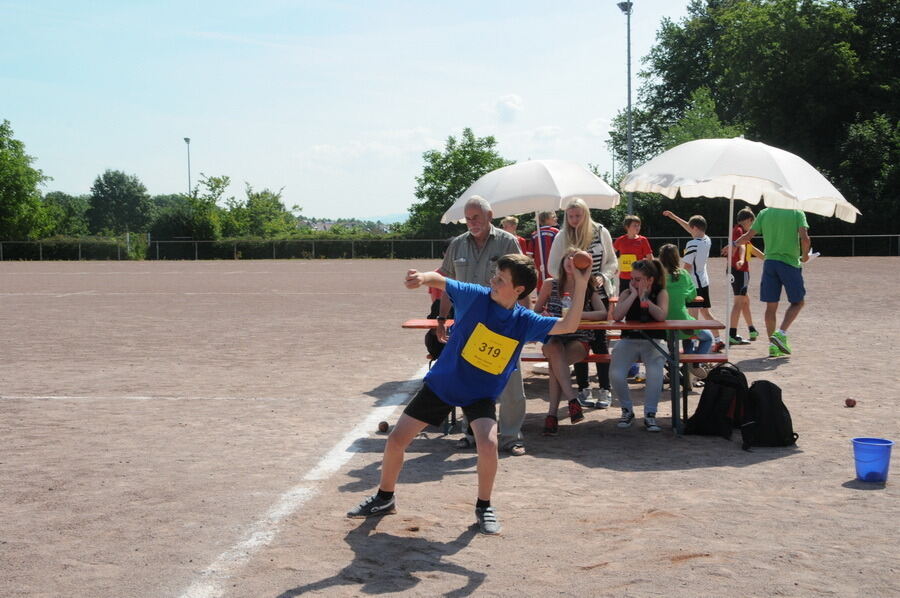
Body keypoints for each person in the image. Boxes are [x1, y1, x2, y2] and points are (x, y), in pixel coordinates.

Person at [347, 254, 591, 534]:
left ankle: (484, 506)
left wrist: (581, 283)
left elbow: (569, 326)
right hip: (443, 385)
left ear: (519, 290)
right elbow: (442, 280)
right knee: (396, 440)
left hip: (480, 394)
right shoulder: (477, 297)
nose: (493, 281)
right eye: (495, 275)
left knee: (488, 445)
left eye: (500, 279)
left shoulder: (525, 321)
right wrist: (421, 278)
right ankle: (384, 497)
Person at [437, 196, 529, 456]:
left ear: (490, 216)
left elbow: (522, 282)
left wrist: (524, 319)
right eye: (468, 218)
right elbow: (447, 284)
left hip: (503, 323)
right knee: (470, 379)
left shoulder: (507, 242)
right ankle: (471, 433)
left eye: (476, 217)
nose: (472, 222)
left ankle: (511, 436)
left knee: (510, 380)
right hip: (468, 326)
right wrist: (442, 319)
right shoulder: (457, 245)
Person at [546, 198, 618, 408]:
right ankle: (583, 387)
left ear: (586, 215)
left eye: (578, 216)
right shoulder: (562, 236)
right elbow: (552, 266)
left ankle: (605, 388)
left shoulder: (601, 231)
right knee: (575, 337)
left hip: (598, 291)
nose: (574, 220)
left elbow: (612, 262)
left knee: (599, 341)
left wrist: (602, 277)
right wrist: (569, 280)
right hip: (572, 293)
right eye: (570, 216)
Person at [533, 247, 608, 435]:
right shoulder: (551, 284)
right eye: (568, 257)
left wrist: (577, 315)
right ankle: (572, 400)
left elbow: (603, 313)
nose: (570, 261)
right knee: (554, 350)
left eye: (575, 258)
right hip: (554, 335)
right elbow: (535, 311)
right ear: (562, 261)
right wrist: (545, 314)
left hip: (579, 338)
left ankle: (552, 415)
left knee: (555, 366)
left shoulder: (587, 286)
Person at [731, 207, 810, 357]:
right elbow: (805, 239)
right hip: (789, 263)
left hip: (770, 263)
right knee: (798, 302)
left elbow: (748, 236)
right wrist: (805, 255)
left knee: (771, 307)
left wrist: (733, 244)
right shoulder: (797, 212)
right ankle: (780, 333)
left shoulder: (764, 213)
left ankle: (773, 346)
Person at [609, 259, 669, 432]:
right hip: (629, 340)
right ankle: (627, 410)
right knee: (616, 374)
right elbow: (617, 316)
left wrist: (645, 298)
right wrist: (634, 295)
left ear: (650, 279)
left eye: (638, 279)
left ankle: (650, 414)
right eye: (632, 278)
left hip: (654, 342)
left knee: (655, 373)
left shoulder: (660, 292)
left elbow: (661, 316)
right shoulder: (627, 293)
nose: (633, 282)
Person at [662, 211, 724, 350]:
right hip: (704, 281)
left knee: (692, 319)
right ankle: (718, 339)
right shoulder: (707, 239)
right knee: (705, 313)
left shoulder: (692, 244)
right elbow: (692, 228)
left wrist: (677, 278)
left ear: (695, 228)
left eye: (691, 228)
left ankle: (693, 348)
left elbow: (687, 267)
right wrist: (675, 217)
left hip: (693, 284)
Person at [658, 243, 714, 379]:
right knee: (708, 337)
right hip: (682, 322)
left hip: (662, 323)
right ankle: (694, 363)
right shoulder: (683, 274)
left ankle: (680, 368)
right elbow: (692, 296)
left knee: (684, 338)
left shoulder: (657, 276)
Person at [612, 214, 653, 381]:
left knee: (640, 309)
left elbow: (650, 258)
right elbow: (613, 255)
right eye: (634, 225)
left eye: (639, 225)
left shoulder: (642, 240)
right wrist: (616, 265)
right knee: (625, 308)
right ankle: (626, 341)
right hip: (624, 279)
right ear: (627, 227)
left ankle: (641, 341)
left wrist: (641, 266)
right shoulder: (620, 240)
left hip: (639, 279)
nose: (637, 228)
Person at [723, 208, 764, 344]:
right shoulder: (740, 231)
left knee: (745, 301)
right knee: (739, 302)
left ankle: (751, 329)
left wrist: (767, 258)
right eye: (752, 223)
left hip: (733, 270)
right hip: (740, 271)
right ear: (748, 220)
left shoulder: (737, 231)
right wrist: (741, 259)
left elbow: (750, 248)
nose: (752, 227)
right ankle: (732, 334)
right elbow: (742, 247)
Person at [526, 211, 559, 290]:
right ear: (547, 219)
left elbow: (529, 255)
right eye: (553, 217)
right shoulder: (556, 232)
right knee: (555, 286)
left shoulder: (535, 234)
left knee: (541, 288)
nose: (556, 218)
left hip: (539, 268)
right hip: (554, 266)